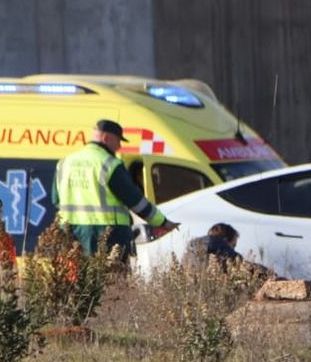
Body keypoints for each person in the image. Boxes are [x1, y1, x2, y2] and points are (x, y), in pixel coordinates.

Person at [52, 118, 174, 259]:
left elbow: (56, 200)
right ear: (106, 138)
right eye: (118, 141)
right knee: (112, 278)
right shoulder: (110, 164)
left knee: (77, 279)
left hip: (71, 235)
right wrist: (162, 222)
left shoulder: (65, 163)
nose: (119, 146)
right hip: (107, 236)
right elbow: (135, 201)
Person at [187, 222, 276, 279]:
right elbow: (244, 266)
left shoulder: (191, 248)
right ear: (225, 240)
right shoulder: (222, 248)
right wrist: (271, 275)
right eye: (233, 246)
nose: (233, 249)